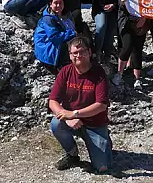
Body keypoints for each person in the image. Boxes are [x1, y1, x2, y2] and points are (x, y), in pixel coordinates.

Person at [48, 37, 112, 173]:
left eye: (82, 52)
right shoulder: (65, 71)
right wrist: (67, 117)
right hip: (73, 120)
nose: (78, 56)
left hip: (95, 123)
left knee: (102, 167)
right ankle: (72, 154)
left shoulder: (99, 73)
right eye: (74, 53)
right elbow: (52, 101)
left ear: (89, 52)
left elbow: (101, 105)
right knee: (56, 124)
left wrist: (75, 114)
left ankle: (104, 139)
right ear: (70, 55)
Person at [113, 0, 153, 90]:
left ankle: (137, 79)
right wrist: (124, 2)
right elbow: (121, 5)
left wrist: (144, 18)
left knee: (138, 49)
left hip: (141, 22)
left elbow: (150, 5)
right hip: (126, 22)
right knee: (127, 46)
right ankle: (119, 74)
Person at [34, 0, 77, 74]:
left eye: (60, 3)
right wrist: (72, 33)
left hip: (53, 45)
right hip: (47, 51)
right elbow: (55, 38)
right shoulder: (48, 19)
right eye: (55, 3)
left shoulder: (64, 16)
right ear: (50, 4)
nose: (58, 5)